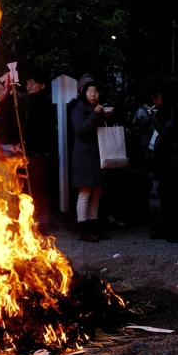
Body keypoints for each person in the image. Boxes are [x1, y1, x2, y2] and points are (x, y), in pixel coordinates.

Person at [70, 74, 113, 242]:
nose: (94, 95)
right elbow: (81, 130)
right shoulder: (79, 108)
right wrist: (96, 115)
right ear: (84, 94)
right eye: (90, 92)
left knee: (97, 192)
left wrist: (108, 117)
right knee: (85, 192)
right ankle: (83, 228)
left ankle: (94, 224)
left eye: (96, 92)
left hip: (99, 155)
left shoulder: (100, 110)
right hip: (84, 156)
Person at [147, 82, 178, 243]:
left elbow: (167, 132)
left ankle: (176, 230)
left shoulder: (173, 110)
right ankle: (167, 226)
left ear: (160, 97)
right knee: (165, 193)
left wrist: (154, 119)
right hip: (167, 157)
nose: (155, 102)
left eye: (155, 98)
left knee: (174, 195)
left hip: (174, 158)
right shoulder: (169, 109)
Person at [22, 71, 57, 234]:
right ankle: (37, 217)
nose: (29, 85)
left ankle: (44, 221)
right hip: (31, 151)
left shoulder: (42, 103)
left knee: (39, 187)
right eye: (28, 82)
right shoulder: (29, 103)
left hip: (39, 152)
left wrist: (27, 143)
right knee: (34, 187)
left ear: (42, 85)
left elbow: (38, 130)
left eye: (33, 82)